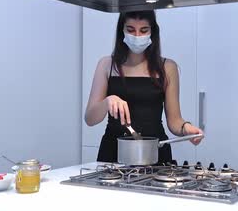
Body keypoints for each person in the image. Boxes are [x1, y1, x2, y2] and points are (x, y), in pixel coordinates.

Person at [84, 10, 203, 164]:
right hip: (114, 153)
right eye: (131, 30)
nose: (137, 36)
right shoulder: (107, 64)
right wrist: (108, 101)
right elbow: (90, 119)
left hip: (154, 153)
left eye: (144, 30)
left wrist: (187, 129)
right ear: (122, 30)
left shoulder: (167, 67)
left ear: (152, 32)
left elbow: (174, 121)